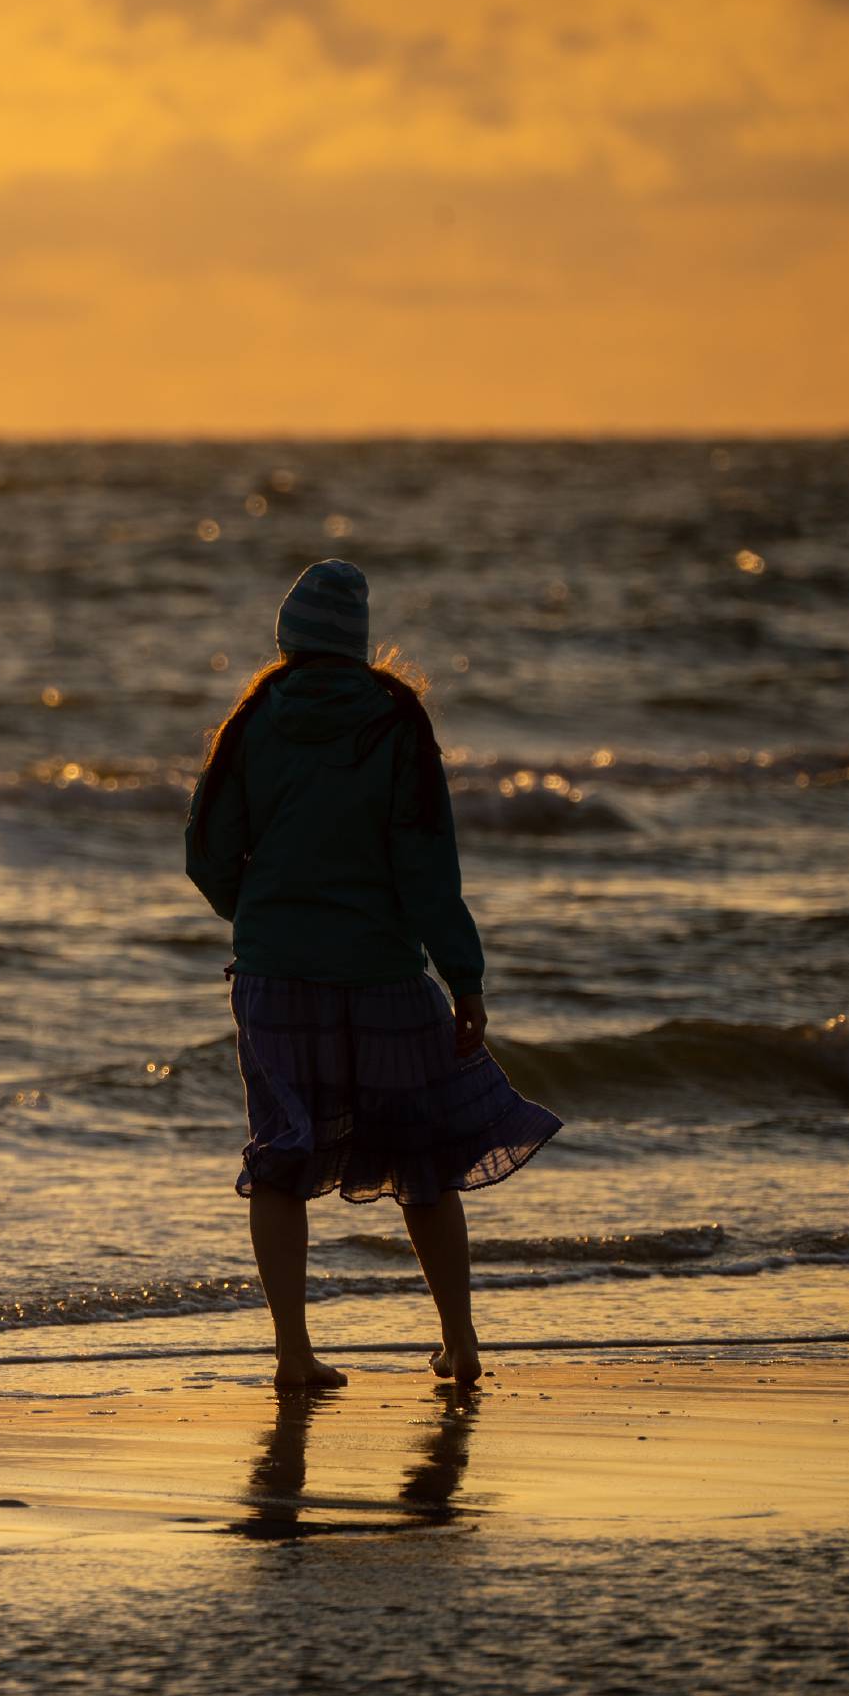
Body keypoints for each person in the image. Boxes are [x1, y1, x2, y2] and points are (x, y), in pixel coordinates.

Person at [184, 559, 561, 1390]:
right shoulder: (396, 722)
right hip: (386, 975)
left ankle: (294, 1354)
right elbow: (428, 870)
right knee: (423, 1161)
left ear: (287, 640)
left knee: (279, 1161)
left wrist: (261, 916)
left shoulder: (252, 720)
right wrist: (465, 977)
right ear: (358, 643)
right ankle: (460, 1344)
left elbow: (208, 853)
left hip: (275, 973)